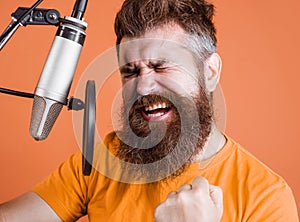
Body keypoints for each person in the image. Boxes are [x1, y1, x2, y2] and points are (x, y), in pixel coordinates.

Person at [0, 0, 298, 221]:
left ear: (209, 72)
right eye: (130, 71)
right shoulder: (101, 161)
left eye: (160, 66)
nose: (142, 88)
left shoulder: (266, 198)